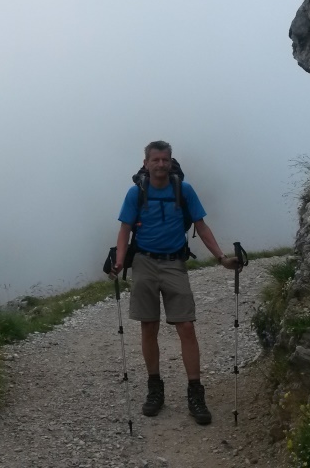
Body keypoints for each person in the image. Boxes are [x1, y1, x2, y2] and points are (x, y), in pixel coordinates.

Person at [109, 140, 241, 426]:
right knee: (149, 326)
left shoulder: (184, 190)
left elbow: (201, 226)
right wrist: (119, 262)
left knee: (186, 326)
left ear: (171, 162)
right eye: (155, 160)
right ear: (146, 163)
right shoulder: (136, 192)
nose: (160, 164)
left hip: (174, 263)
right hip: (143, 262)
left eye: (165, 160)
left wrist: (221, 258)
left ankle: (195, 392)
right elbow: (124, 230)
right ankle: (155, 388)